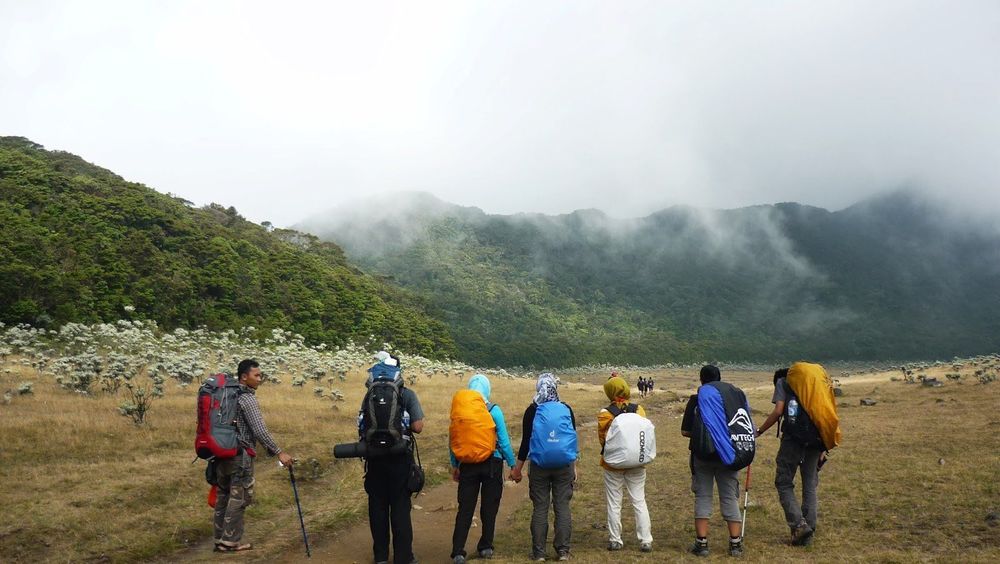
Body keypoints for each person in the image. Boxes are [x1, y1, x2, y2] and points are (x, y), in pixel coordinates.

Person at [213, 359, 294, 552]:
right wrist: (279, 452)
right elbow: (259, 430)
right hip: (240, 454)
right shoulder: (247, 398)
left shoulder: (225, 394)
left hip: (221, 452)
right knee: (239, 497)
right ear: (244, 377)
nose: (260, 379)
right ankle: (230, 542)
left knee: (223, 495)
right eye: (256, 375)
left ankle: (219, 539)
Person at [362, 354, 425, 564]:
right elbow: (418, 427)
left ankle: (380, 557)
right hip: (399, 459)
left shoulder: (368, 394)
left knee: (377, 507)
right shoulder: (407, 394)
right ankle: (403, 557)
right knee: (400, 509)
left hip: (374, 460)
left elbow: (361, 426)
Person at [756, 367, 828, 547]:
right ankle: (808, 531)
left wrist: (760, 430)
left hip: (793, 440)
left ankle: (799, 525)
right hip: (816, 438)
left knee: (783, 482)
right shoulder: (813, 386)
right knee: (810, 482)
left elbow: (779, 410)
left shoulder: (782, 382)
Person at [509, 373, 578, 561]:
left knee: (540, 507)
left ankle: (539, 552)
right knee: (562, 506)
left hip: (539, 465)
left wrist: (517, 469)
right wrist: (574, 467)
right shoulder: (566, 408)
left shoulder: (532, 410)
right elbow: (571, 440)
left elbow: (525, 444)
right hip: (564, 465)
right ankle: (563, 551)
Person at [449, 374, 517, 563]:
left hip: (467, 465)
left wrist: (455, 465)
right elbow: (503, 441)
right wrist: (512, 464)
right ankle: (485, 546)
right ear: (487, 389)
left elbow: (453, 438)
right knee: (489, 506)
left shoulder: (460, 410)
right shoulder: (494, 410)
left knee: (465, 508)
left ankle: (458, 551)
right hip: (492, 464)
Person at [680, 365, 745, 557]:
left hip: (702, 455)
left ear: (701, 380)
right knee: (729, 497)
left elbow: (685, 431)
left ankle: (702, 544)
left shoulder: (696, 399)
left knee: (703, 497)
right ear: (720, 379)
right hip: (729, 456)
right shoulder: (731, 399)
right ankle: (735, 544)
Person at [597, 375, 653, 553]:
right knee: (639, 500)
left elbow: (603, 440)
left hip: (613, 465)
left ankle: (615, 540)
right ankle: (645, 540)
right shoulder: (639, 410)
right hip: (637, 462)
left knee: (614, 502)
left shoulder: (605, 414)